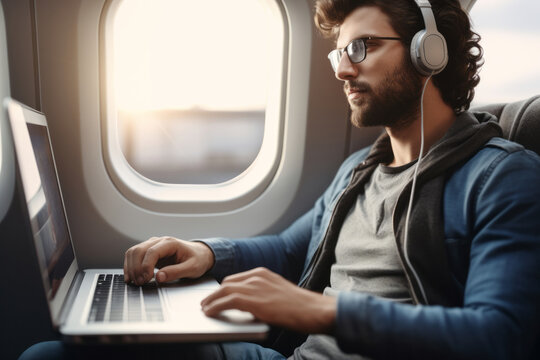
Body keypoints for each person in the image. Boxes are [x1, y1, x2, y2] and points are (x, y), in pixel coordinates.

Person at [19, 0, 540, 359]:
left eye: (361, 48)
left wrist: (322, 310)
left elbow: (502, 338)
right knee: (47, 352)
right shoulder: (362, 171)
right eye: (340, 52)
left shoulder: (501, 179)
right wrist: (206, 252)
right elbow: (292, 250)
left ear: (430, 51)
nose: (340, 69)